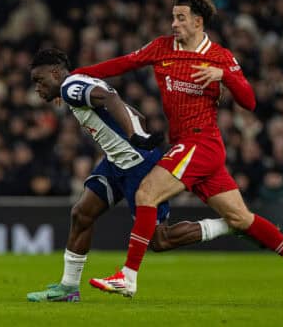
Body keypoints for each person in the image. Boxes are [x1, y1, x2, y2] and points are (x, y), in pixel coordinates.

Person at [72, 0, 283, 303]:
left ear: (197, 21)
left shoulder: (219, 56)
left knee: (146, 193)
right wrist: (75, 77)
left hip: (200, 141)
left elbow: (249, 100)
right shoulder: (162, 47)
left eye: (180, 18)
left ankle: (128, 276)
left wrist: (224, 76)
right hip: (189, 146)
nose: (174, 23)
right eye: (173, 17)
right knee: (240, 219)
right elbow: (121, 64)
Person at [26, 48, 232, 302]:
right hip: (116, 163)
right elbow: (138, 115)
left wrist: (135, 138)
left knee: (159, 241)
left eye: (40, 80)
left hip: (137, 166)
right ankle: (68, 288)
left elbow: (110, 98)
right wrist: (136, 132)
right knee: (82, 213)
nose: (37, 88)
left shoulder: (71, 87)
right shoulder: (72, 86)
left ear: (56, 73)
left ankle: (229, 224)